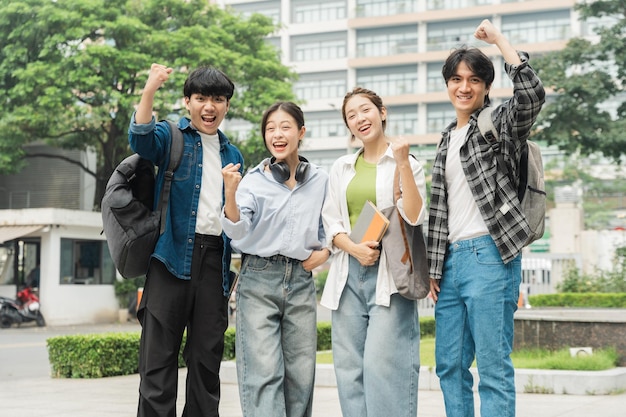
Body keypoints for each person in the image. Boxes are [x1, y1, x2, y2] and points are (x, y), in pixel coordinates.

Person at [427, 20, 545, 417]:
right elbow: (441, 211)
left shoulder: (498, 125)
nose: (464, 87)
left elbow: (530, 95)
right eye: (457, 79)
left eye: (474, 80)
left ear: (485, 87)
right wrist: (434, 267)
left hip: (491, 257)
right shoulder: (445, 139)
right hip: (451, 263)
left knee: (493, 369)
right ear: (447, 85)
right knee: (450, 366)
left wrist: (498, 41)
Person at [129, 63, 244, 417]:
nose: (209, 107)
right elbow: (141, 137)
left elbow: (235, 219)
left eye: (218, 99)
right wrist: (149, 90)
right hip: (170, 257)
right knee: (157, 365)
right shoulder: (172, 136)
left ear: (226, 105)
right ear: (188, 101)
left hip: (215, 264)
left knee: (206, 365)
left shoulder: (233, 154)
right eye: (201, 98)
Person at [321, 87, 427, 417]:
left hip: (389, 277)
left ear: (382, 112)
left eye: (365, 110)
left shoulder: (405, 162)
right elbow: (330, 221)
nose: (359, 119)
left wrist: (403, 165)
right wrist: (353, 248)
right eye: (351, 116)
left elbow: (414, 214)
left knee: (384, 369)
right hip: (348, 275)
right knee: (350, 372)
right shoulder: (341, 167)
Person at [220, 101, 329, 417]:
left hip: (301, 280)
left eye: (285, 127)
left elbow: (336, 226)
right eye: (270, 129)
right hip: (258, 279)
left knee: (301, 375)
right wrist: (231, 193)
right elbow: (238, 232)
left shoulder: (321, 180)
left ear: (301, 132)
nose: (277, 135)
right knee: (264, 372)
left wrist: (326, 251)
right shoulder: (253, 181)